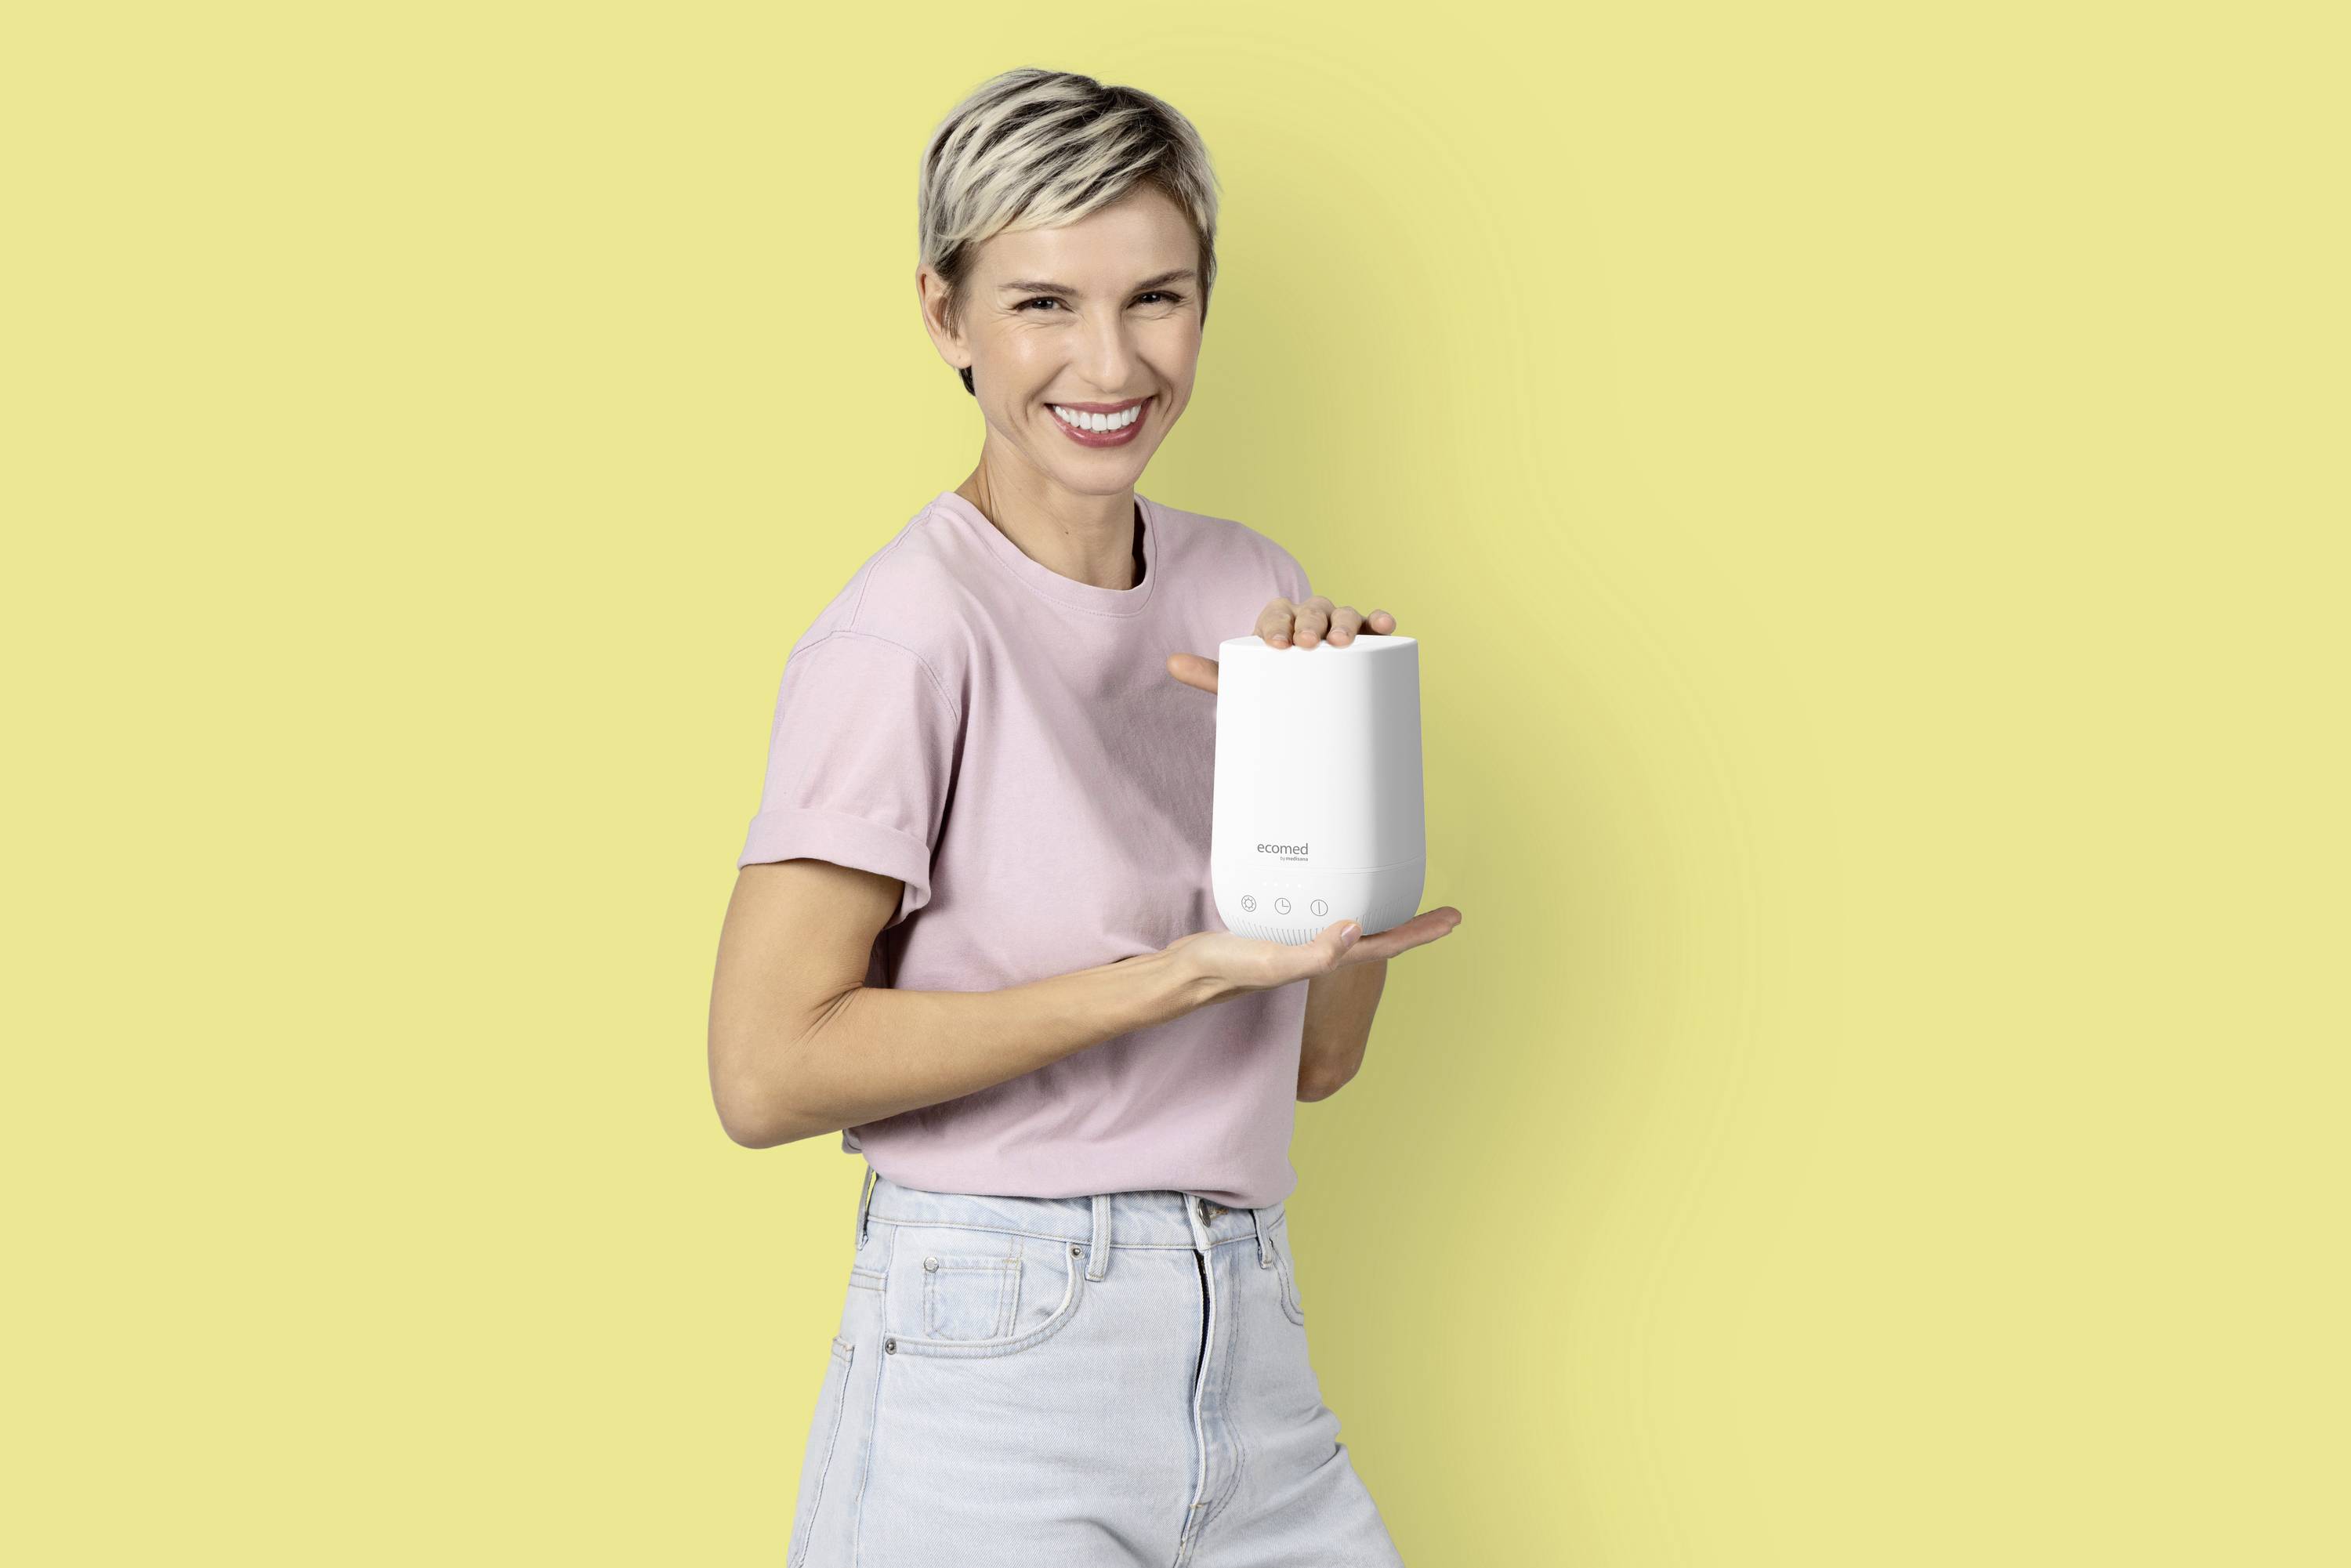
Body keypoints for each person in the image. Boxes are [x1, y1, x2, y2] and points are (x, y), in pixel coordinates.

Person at [708, 67, 1462, 1567]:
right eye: (1043, 302)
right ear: (947, 318)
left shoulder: (1244, 584)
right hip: (996, 1359)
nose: (1110, 359)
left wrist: (1349, 765)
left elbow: (1316, 1058)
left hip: (1246, 1340)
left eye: (1157, 297)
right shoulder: (903, 637)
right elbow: (762, 1071)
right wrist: (1169, 975)